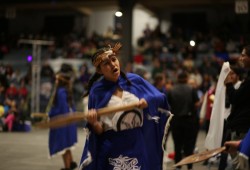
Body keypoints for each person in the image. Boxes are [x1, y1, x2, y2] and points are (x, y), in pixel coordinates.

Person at [79, 42, 170, 170]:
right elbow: (99, 131)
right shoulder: (97, 92)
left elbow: (160, 98)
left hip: (137, 143)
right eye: (106, 63)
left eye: (114, 60)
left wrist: (146, 100)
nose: (112, 65)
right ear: (99, 70)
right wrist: (94, 123)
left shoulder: (134, 80)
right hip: (112, 148)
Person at [224, 45, 250, 169]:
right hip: (240, 129)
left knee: (239, 165)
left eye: (244, 55)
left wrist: (228, 85)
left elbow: (235, 99)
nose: (240, 58)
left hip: (243, 129)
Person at [47, 63, 78, 170]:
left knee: (63, 148)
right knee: (67, 147)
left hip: (63, 123)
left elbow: (61, 110)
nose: (55, 80)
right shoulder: (66, 91)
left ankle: (68, 167)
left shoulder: (60, 92)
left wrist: (51, 115)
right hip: (69, 123)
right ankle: (71, 163)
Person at [168, 71, 200, 170]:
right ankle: (189, 166)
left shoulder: (171, 90)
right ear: (186, 78)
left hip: (176, 122)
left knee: (177, 145)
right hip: (189, 121)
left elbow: (168, 105)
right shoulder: (192, 89)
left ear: (177, 78)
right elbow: (197, 104)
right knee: (189, 145)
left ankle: (178, 166)